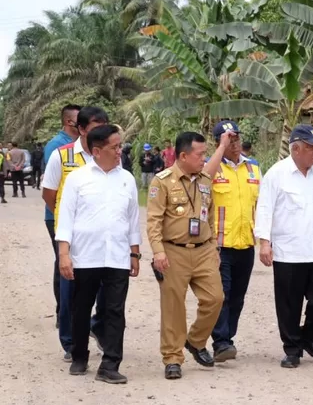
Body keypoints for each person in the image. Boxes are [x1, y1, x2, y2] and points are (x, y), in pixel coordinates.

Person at [56, 125, 141, 384]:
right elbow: (66, 218)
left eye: (120, 146)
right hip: (85, 256)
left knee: (115, 310)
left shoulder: (127, 178)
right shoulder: (77, 178)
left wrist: (134, 254)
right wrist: (64, 254)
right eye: (114, 147)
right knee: (81, 308)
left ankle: (110, 364)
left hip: (116, 256)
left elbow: (133, 219)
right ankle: (80, 355)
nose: (120, 152)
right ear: (96, 150)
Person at [255, 124, 313, 369]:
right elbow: (265, 209)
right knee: (289, 302)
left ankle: (310, 338)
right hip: (289, 250)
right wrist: (264, 242)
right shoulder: (276, 174)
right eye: (312, 147)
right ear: (296, 149)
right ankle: (292, 349)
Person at [146, 131, 223, 380]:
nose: (204, 159)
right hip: (173, 251)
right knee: (173, 306)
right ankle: (172, 358)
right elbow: (154, 221)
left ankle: (196, 340)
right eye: (200, 154)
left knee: (215, 299)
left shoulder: (204, 180)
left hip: (203, 251)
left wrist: (213, 246)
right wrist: (158, 252)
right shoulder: (162, 181)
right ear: (183, 155)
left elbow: (209, 216)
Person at [42, 106, 109, 361]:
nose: (101, 132)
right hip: (71, 235)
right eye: (95, 127)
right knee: (70, 287)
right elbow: (49, 194)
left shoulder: (110, 154)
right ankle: (70, 342)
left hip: (101, 234)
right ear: (81, 129)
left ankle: (97, 327)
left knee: (106, 286)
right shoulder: (62, 155)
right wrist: (66, 220)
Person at [203, 121, 262, 362]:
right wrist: (221, 149)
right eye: (229, 140)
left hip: (246, 243)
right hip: (220, 244)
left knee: (238, 296)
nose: (235, 144)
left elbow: (262, 205)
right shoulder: (211, 167)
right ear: (219, 142)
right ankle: (221, 341)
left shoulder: (253, 168)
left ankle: (228, 337)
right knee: (222, 294)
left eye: (237, 139)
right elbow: (203, 180)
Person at [43, 104, 81, 327]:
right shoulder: (56, 147)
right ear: (69, 122)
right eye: (80, 119)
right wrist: (60, 214)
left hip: (80, 217)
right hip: (56, 216)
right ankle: (63, 313)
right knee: (64, 261)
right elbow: (50, 189)